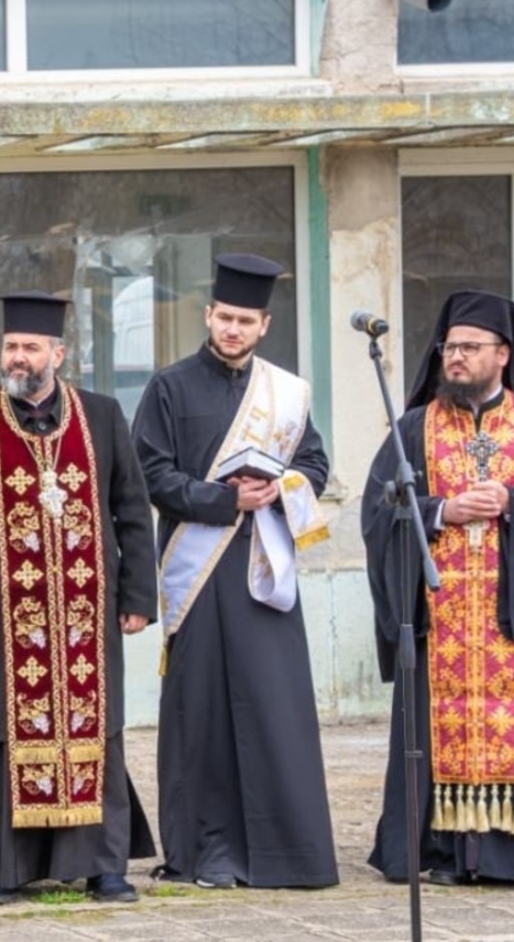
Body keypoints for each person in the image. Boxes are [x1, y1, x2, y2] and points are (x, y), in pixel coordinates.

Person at [0, 292, 158, 906]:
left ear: (58, 354)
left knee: (94, 731)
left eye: (31, 347)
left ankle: (102, 866)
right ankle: (5, 868)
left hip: (87, 617)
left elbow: (133, 510)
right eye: (11, 346)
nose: (18, 357)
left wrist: (139, 595)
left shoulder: (102, 417)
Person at [360, 290, 514, 885]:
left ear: (503, 354)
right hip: (441, 625)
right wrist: (441, 511)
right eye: (449, 347)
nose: (456, 357)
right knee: (432, 732)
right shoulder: (414, 430)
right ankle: (441, 852)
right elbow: (378, 511)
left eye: (469, 347)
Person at [130, 253, 339, 890]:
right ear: (208, 315)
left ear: (264, 325)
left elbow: (315, 466)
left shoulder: (286, 393)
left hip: (263, 570)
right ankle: (204, 854)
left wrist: (279, 489)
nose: (233, 329)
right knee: (202, 712)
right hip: (198, 573)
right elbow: (149, 474)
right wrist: (225, 501)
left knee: (274, 709)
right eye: (224, 317)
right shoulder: (168, 388)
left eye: (246, 320)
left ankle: (287, 853)